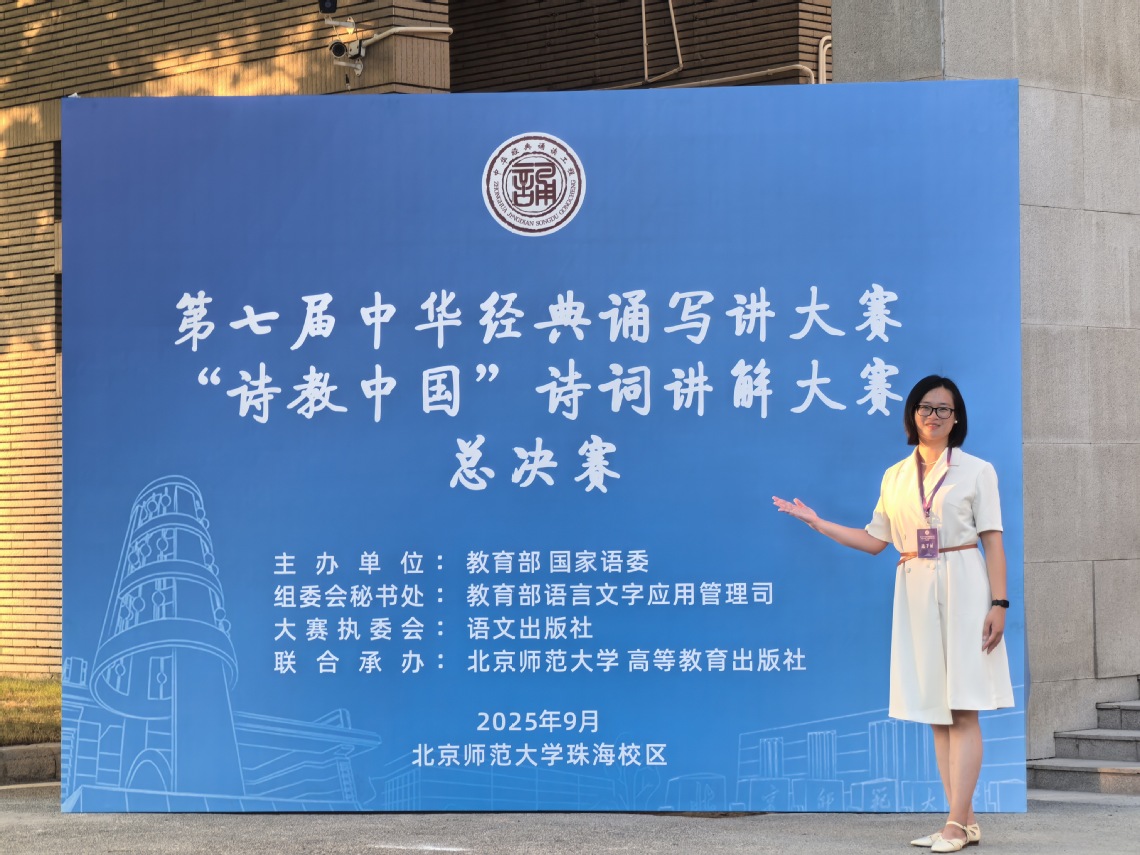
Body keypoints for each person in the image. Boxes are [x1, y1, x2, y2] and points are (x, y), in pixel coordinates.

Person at [772, 375, 1013, 853]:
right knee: (937, 713)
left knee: (963, 707)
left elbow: (993, 540)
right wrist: (817, 523)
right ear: (912, 415)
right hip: (916, 585)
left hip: (964, 583)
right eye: (925, 407)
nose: (933, 416)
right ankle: (963, 821)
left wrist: (999, 604)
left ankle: (954, 825)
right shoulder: (896, 476)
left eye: (943, 409)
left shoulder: (977, 471)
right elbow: (874, 541)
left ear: (956, 418)